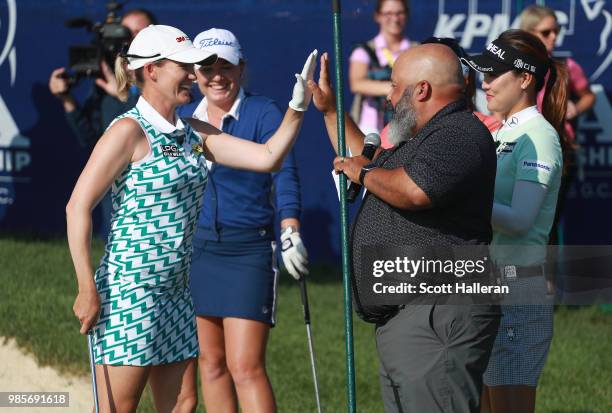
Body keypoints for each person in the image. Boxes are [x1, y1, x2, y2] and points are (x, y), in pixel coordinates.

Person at [66, 24, 317, 412]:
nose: (193, 74)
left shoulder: (193, 133)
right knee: (120, 406)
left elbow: (269, 158)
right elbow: (77, 206)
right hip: (132, 292)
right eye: (183, 65)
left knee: (184, 403)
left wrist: (297, 107)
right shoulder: (128, 131)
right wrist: (86, 287)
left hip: (178, 292)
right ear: (151, 71)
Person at [309, 45, 500, 412]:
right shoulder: (423, 138)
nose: (390, 96)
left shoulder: (459, 133)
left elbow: (413, 189)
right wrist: (332, 110)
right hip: (414, 317)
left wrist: (362, 173)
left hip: (437, 314)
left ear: (422, 90)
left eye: (395, 86)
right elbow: (374, 166)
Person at [176, 28, 309, 412]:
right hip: (196, 251)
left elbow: (282, 172)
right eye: (206, 67)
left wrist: (290, 227)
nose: (216, 76)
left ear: (241, 68)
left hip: (248, 249)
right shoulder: (183, 119)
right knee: (211, 363)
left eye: (225, 66)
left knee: (245, 366)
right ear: (192, 71)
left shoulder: (263, 111)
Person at [461, 29, 567, 413]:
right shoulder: (503, 130)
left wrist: (463, 199)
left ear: (525, 79)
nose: (484, 83)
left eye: (494, 74)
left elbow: (521, 220)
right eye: (484, 73)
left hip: (518, 290)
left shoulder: (539, 136)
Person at [49, 9, 157, 239]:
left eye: (139, 32)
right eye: (125, 34)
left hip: (159, 203)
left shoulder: (172, 79)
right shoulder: (106, 85)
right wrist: (67, 99)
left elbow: (167, 134)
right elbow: (90, 140)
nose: (132, 39)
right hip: (118, 206)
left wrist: (126, 98)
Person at [349, 0, 415, 135]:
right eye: (388, 13)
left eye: (399, 13)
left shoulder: (417, 50)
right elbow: (356, 84)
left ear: (406, 15)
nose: (395, 19)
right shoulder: (364, 51)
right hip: (370, 129)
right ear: (377, 16)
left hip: (407, 126)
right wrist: (394, 88)